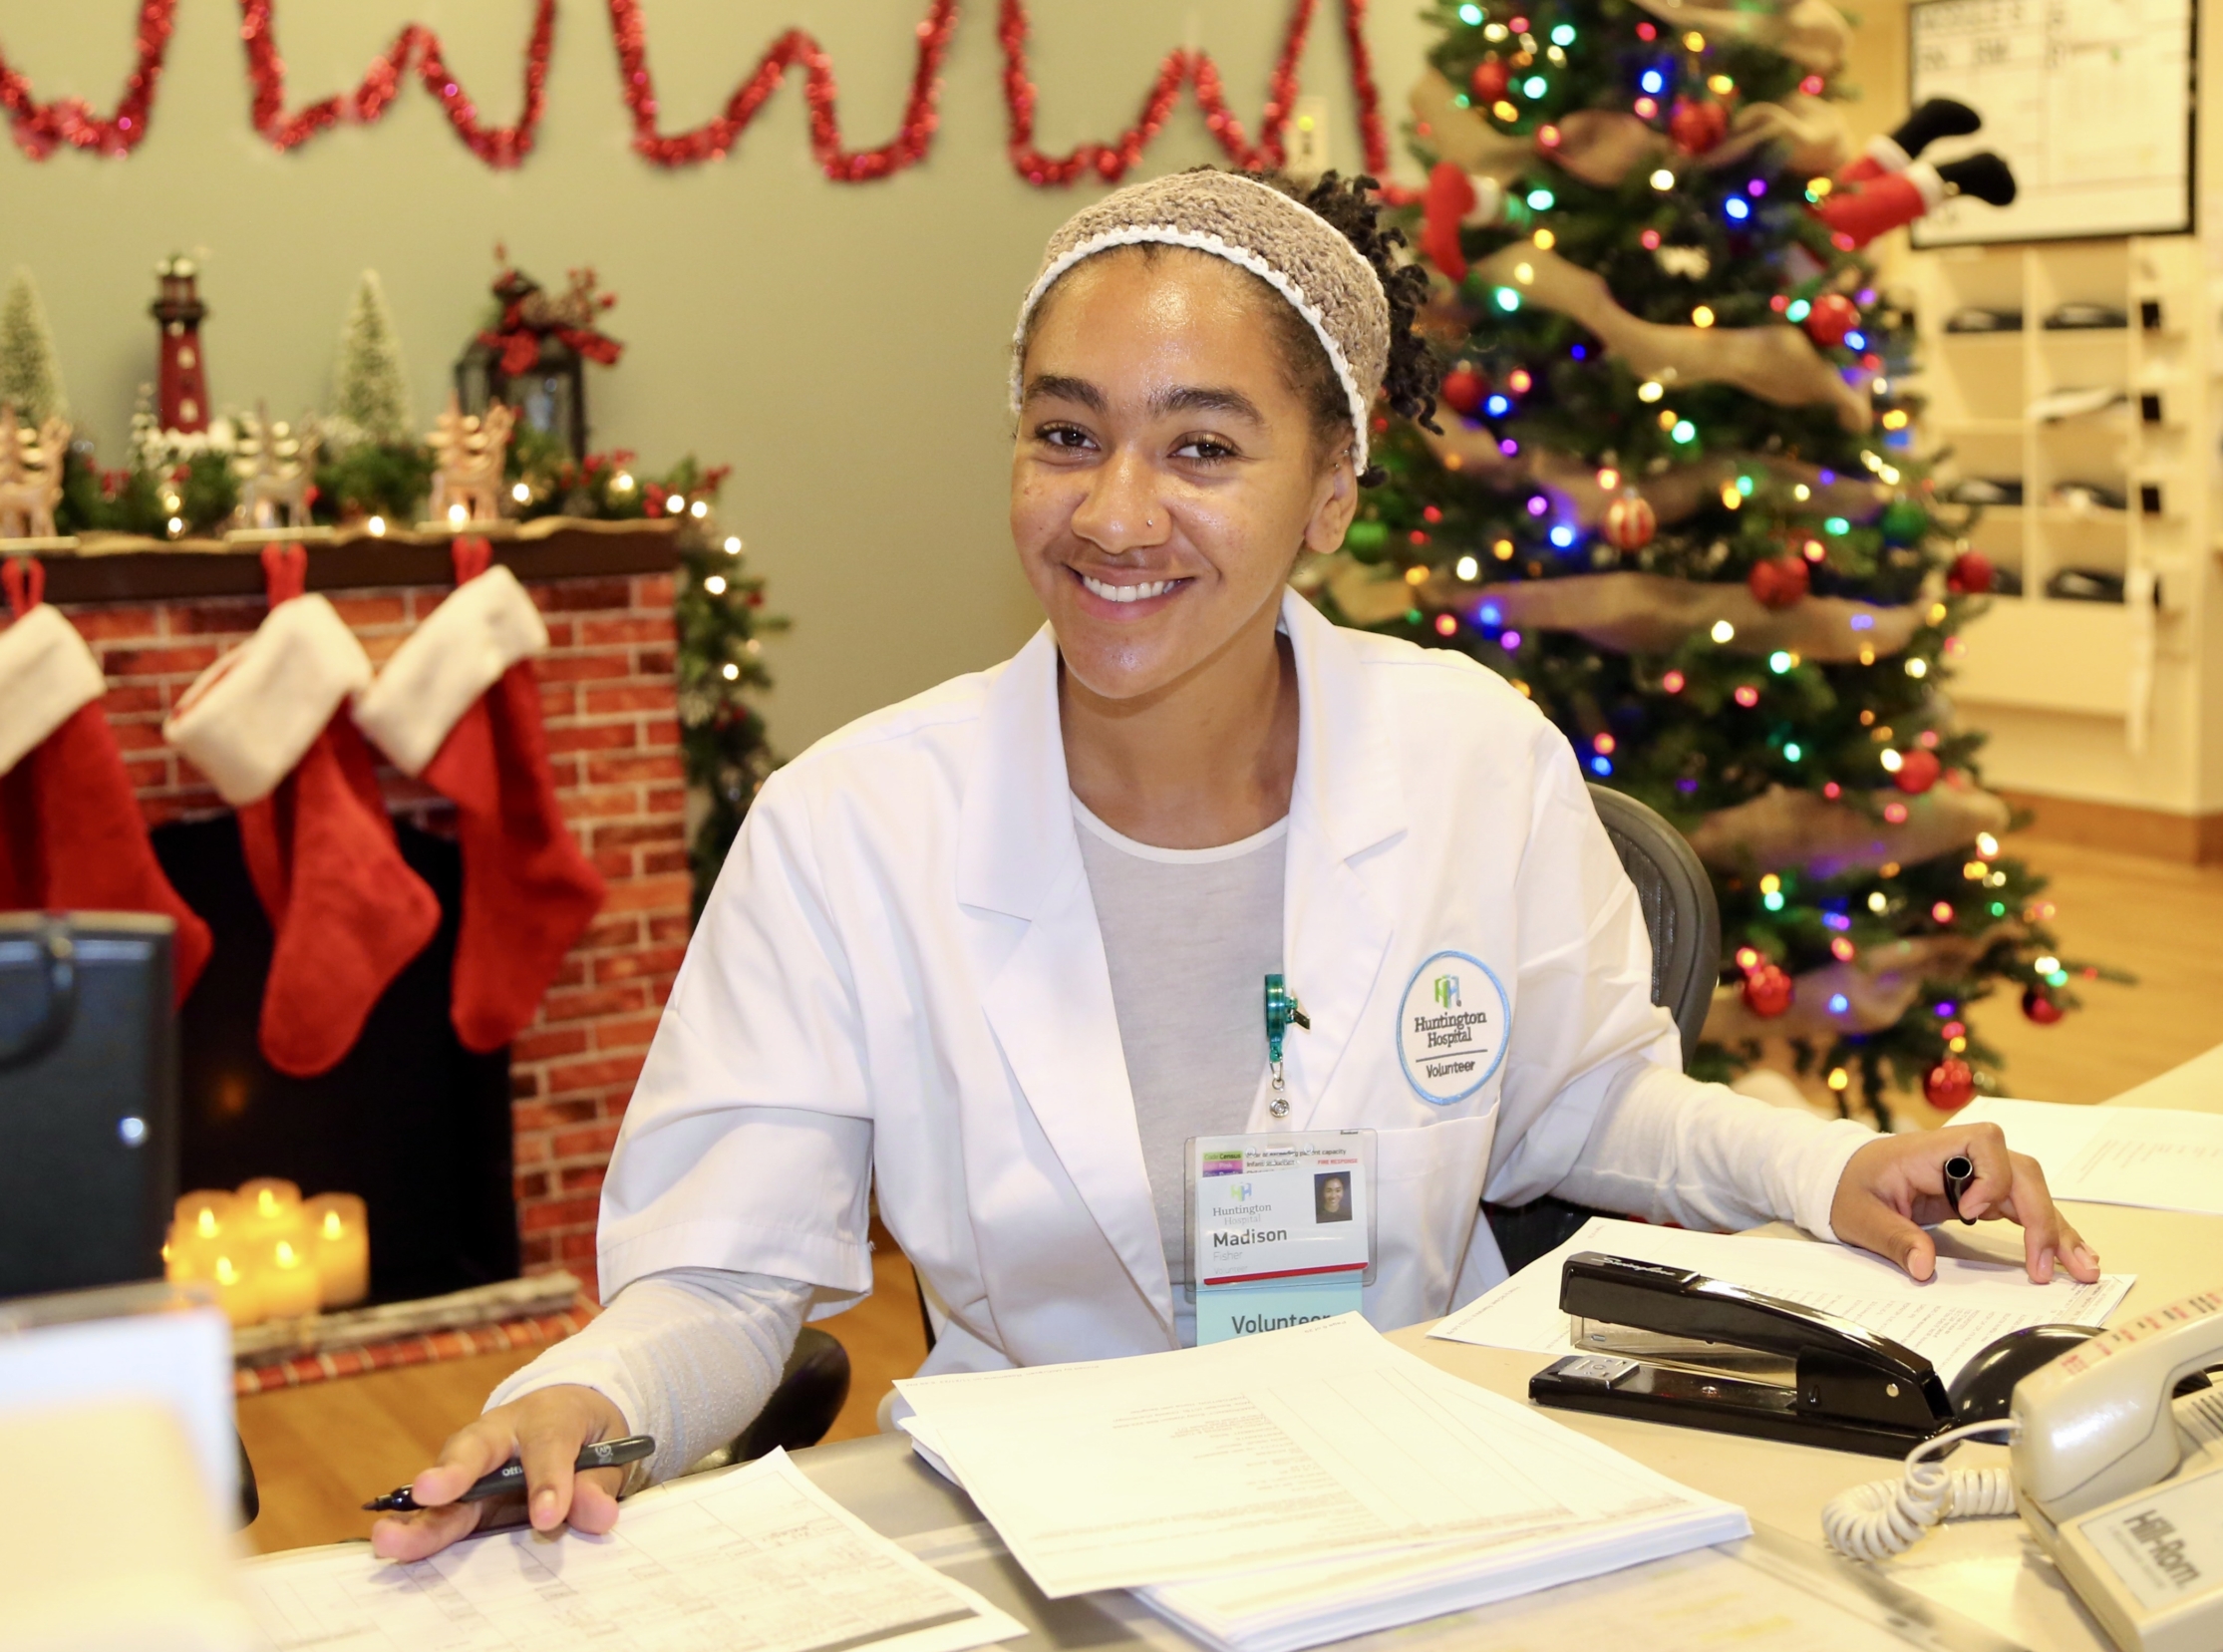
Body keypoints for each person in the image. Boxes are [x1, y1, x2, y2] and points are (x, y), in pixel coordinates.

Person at [374, 167, 2096, 1562]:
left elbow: (1589, 1111)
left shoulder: (1470, 756)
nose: (1117, 513)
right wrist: (584, 1397)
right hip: (1043, 1548)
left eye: (1203, 447)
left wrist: (1828, 1173)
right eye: (1067, 434)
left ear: (1333, 491)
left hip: (1435, 1507)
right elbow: (733, 1275)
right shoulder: (854, 828)